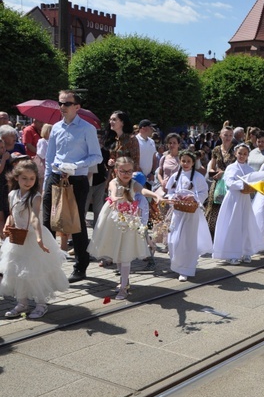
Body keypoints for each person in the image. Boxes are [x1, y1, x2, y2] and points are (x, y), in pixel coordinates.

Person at [43, 90, 103, 283]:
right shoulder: (56, 128)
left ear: (77, 107)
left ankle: (80, 267)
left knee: (76, 225)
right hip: (55, 178)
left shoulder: (87, 129)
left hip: (76, 180)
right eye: (60, 103)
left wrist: (76, 166)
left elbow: (97, 156)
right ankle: (46, 264)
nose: (62, 107)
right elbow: (50, 158)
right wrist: (46, 181)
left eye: (67, 104)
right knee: (47, 222)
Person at [1, 161, 68, 319]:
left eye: (31, 178)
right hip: (17, 239)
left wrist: (38, 238)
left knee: (35, 272)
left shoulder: (36, 196)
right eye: (24, 178)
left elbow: (34, 218)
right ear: (17, 178)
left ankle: (41, 304)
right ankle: (22, 302)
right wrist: (7, 225)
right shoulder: (12, 195)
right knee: (17, 271)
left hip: (32, 237)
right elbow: (12, 214)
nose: (28, 182)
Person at [88, 157, 155, 300]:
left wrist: (156, 196)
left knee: (125, 253)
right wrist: (113, 197)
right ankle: (124, 281)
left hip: (129, 220)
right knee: (118, 251)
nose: (126, 174)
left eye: (129, 171)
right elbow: (112, 192)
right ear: (117, 171)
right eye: (123, 171)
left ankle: (124, 287)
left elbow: (143, 191)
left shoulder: (134, 184)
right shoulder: (114, 182)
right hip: (114, 219)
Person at [213, 144, 264, 264]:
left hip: (245, 200)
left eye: (245, 154)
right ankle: (232, 253)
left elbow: (255, 181)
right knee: (233, 225)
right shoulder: (231, 168)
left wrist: (254, 185)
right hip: (233, 199)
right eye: (240, 153)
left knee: (245, 224)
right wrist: (243, 185)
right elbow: (229, 182)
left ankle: (246, 251)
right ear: (236, 154)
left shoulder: (249, 169)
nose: (242, 156)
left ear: (248, 156)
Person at [166, 150, 212, 282]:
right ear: (180, 161)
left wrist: (193, 198)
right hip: (178, 212)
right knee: (173, 240)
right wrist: (174, 197)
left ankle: (186, 269)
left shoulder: (198, 177)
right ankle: (177, 264)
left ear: (193, 163)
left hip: (191, 213)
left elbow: (204, 193)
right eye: (183, 161)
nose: (185, 163)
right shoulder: (175, 176)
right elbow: (169, 192)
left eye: (188, 161)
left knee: (187, 241)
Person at [205, 127, 236, 237]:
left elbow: (238, 168)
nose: (228, 138)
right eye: (225, 135)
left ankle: (226, 236)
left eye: (230, 135)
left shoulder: (236, 150)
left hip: (230, 184)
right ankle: (211, 236)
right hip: (218, 184)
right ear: (220, 136)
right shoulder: (216, 149)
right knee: (213, 209)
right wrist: (214, 173)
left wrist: (225, 173)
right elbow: (212, 167)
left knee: (228, 209)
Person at [105, 111, 140, 179]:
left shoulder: (131, 139)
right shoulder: (114, 139)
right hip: (113, 177)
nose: (111, 122)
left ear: (122, 122)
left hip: (126, 179)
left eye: (114, 119)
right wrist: (110, 162)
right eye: (110, 119)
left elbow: (135, 162)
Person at [135, 119, 158, 189]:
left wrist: (152, 173)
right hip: (137, 177)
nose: (152, 130)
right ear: (143, 128)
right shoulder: (135, 141)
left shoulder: (152, 141)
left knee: (148, 199)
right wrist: (141, 175)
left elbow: (154, 158)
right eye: (150, 127)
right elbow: (133, 159)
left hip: (149, 178)